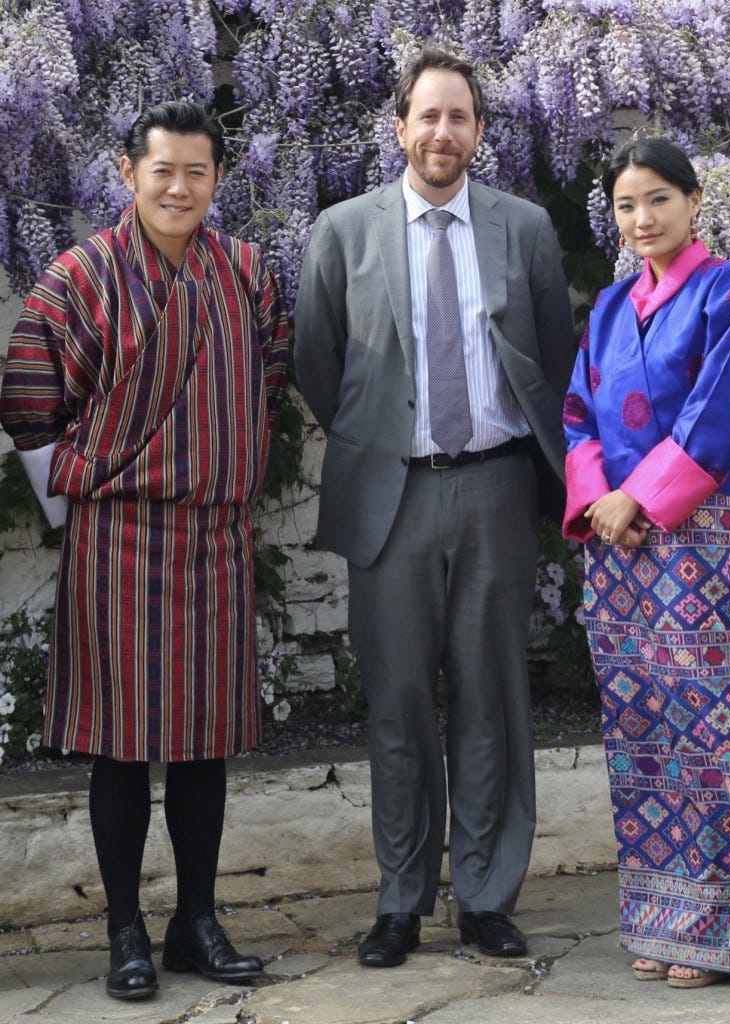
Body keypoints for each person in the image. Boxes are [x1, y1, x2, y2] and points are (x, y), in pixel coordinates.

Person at [294, 46, 575, 968]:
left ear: (480, 130)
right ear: (400, 126)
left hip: (495, 483)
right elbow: (318, 365)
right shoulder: (344, 230)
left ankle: (488, 896)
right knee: (400, 705)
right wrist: (380, 437)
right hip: (394, 495)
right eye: (428, 116)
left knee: (493, 699)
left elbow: (552, 360)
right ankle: (402, 898)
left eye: (459, 117)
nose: (442, 133)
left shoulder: (525, 227)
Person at [0, 101, 288, 999]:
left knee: (205, 745)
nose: (179, 187)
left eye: (197, 173)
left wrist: (214, 457)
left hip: (213, 536)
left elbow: (270, 377)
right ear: (128, 174)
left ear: (217, 181)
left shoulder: (245, 272)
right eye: (162, 170)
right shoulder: (81, 276)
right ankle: (123, 928)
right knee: (119, 749)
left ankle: (195, 921)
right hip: (117, 536)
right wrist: (78, 494)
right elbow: (27, 393)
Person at [562, 137, 730, 990]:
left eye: (658, 199)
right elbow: (579, 411)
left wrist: (639, 499)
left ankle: (727, 929)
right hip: (614, 544)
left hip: (688, 536)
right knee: (642, 733)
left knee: (705, 722)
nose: (642, 218)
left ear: (695, 203)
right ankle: (662, 915)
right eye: (625, 204)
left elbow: (719, 414)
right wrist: (595, 501)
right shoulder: (613, 305)